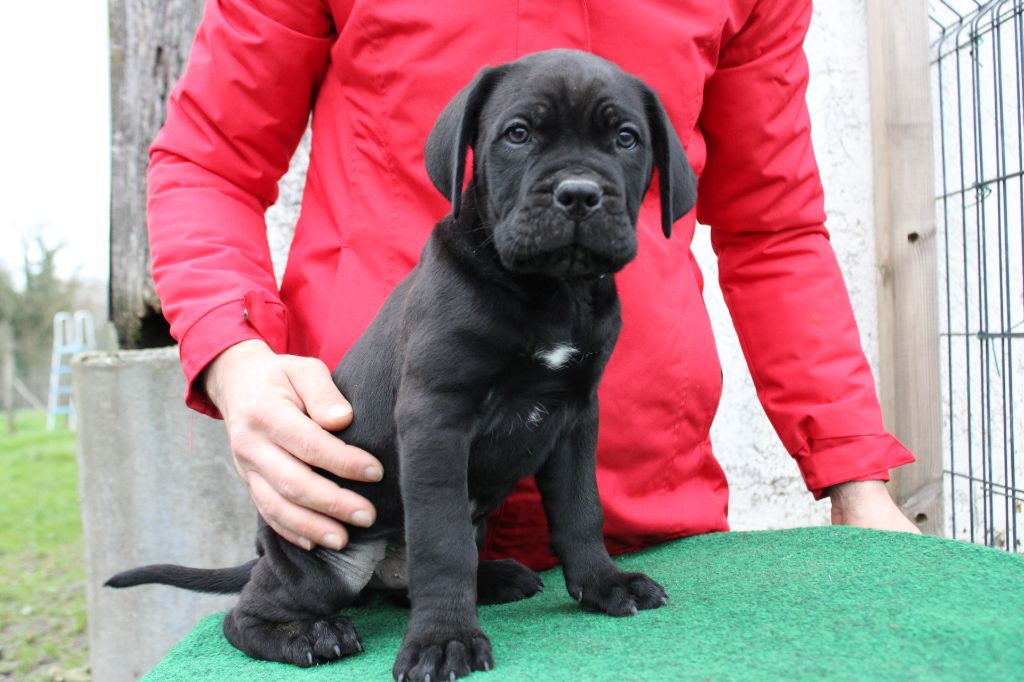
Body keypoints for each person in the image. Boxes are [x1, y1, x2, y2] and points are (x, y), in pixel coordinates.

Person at [147, 0, 920, 570]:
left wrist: (854, 475)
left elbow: (772, 227)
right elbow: (209, 162)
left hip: (638, 512)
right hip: (376, 482)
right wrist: (238, 362)